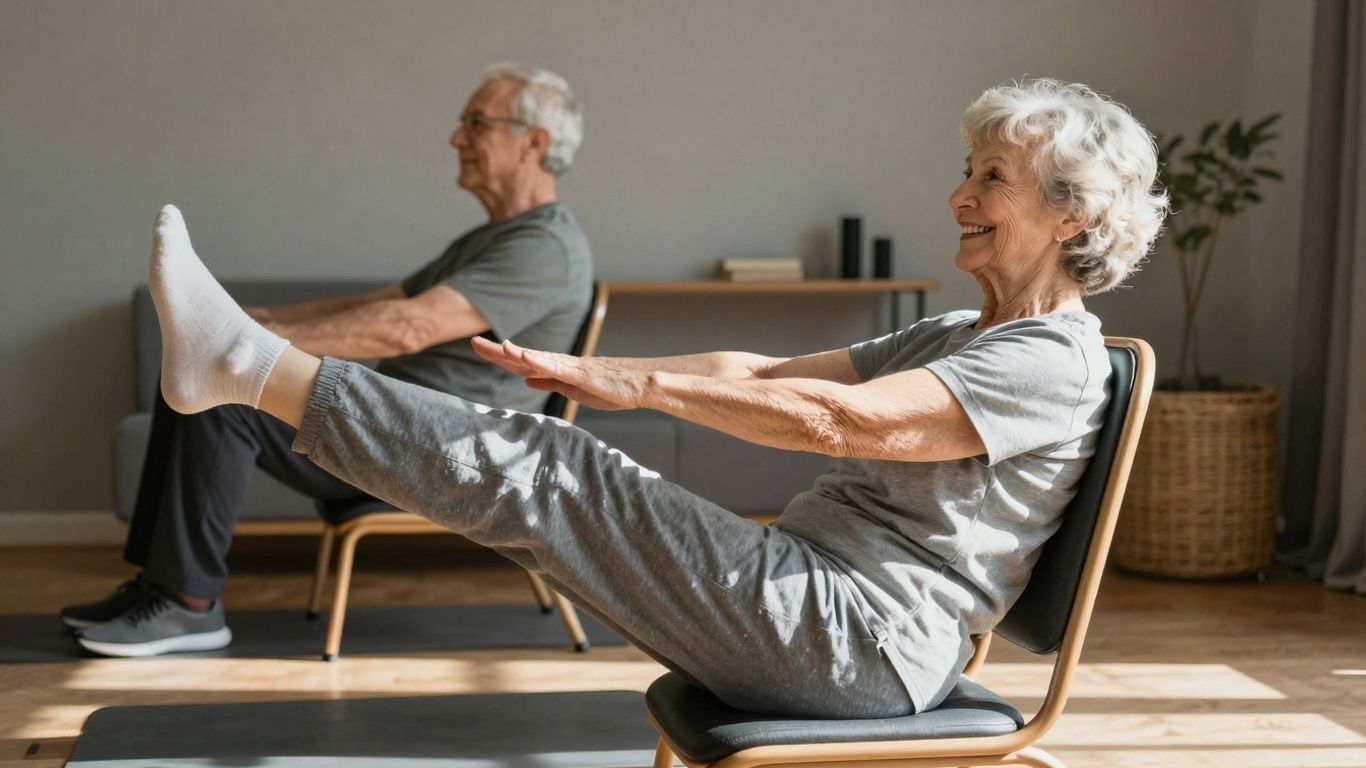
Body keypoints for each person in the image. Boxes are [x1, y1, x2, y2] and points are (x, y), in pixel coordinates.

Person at [127, 77, 1165, 716]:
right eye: (967, 170)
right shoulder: (959, 332)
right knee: (549, 478)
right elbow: (765, 375)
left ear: (1071, 217)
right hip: (813, 604)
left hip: (854, 643)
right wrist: (599, 378)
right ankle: (242, 369)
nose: (959, 196)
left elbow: (836, 423)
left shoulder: (1049, 362)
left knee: (553, 471)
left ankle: (246, 367)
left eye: (991, 179)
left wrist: (637, 383)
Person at [64, 63, 593, 657]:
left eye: (476, 123)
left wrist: (250, 344)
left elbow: (407, 326)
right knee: (194, 369)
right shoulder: (497, 237)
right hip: (398, 427)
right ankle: (157, 586)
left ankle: (189, 606)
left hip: (443, 454)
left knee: (223, 390)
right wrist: (259, 322)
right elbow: (382, 301)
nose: (456, 138)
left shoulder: (544, 248)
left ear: (535, 143)